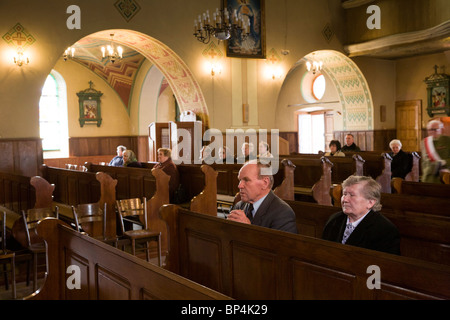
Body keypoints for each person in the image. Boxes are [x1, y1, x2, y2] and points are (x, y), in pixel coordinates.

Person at [322, 175, 400, 255]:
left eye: (352, 195)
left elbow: (382, 265)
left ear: (370, 202)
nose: (345, 199)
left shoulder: (385, 230)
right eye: (344, 194)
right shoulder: (334, 219)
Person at [227, 161, 298, 234]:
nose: (240, 186)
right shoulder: (239, 205)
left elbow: (280, 245)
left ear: (265, 183)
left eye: (246, 180)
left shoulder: (283, 213)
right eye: (240, 180)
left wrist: (249, 229)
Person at [421, 119, 450, 183]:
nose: (432, 131)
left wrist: (444, 162)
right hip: (428, 177)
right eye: (430, 129)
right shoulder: (424, 142)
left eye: (435, 129)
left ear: (441, 129)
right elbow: (424, 161)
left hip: (444, 178)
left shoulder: (447, 140)